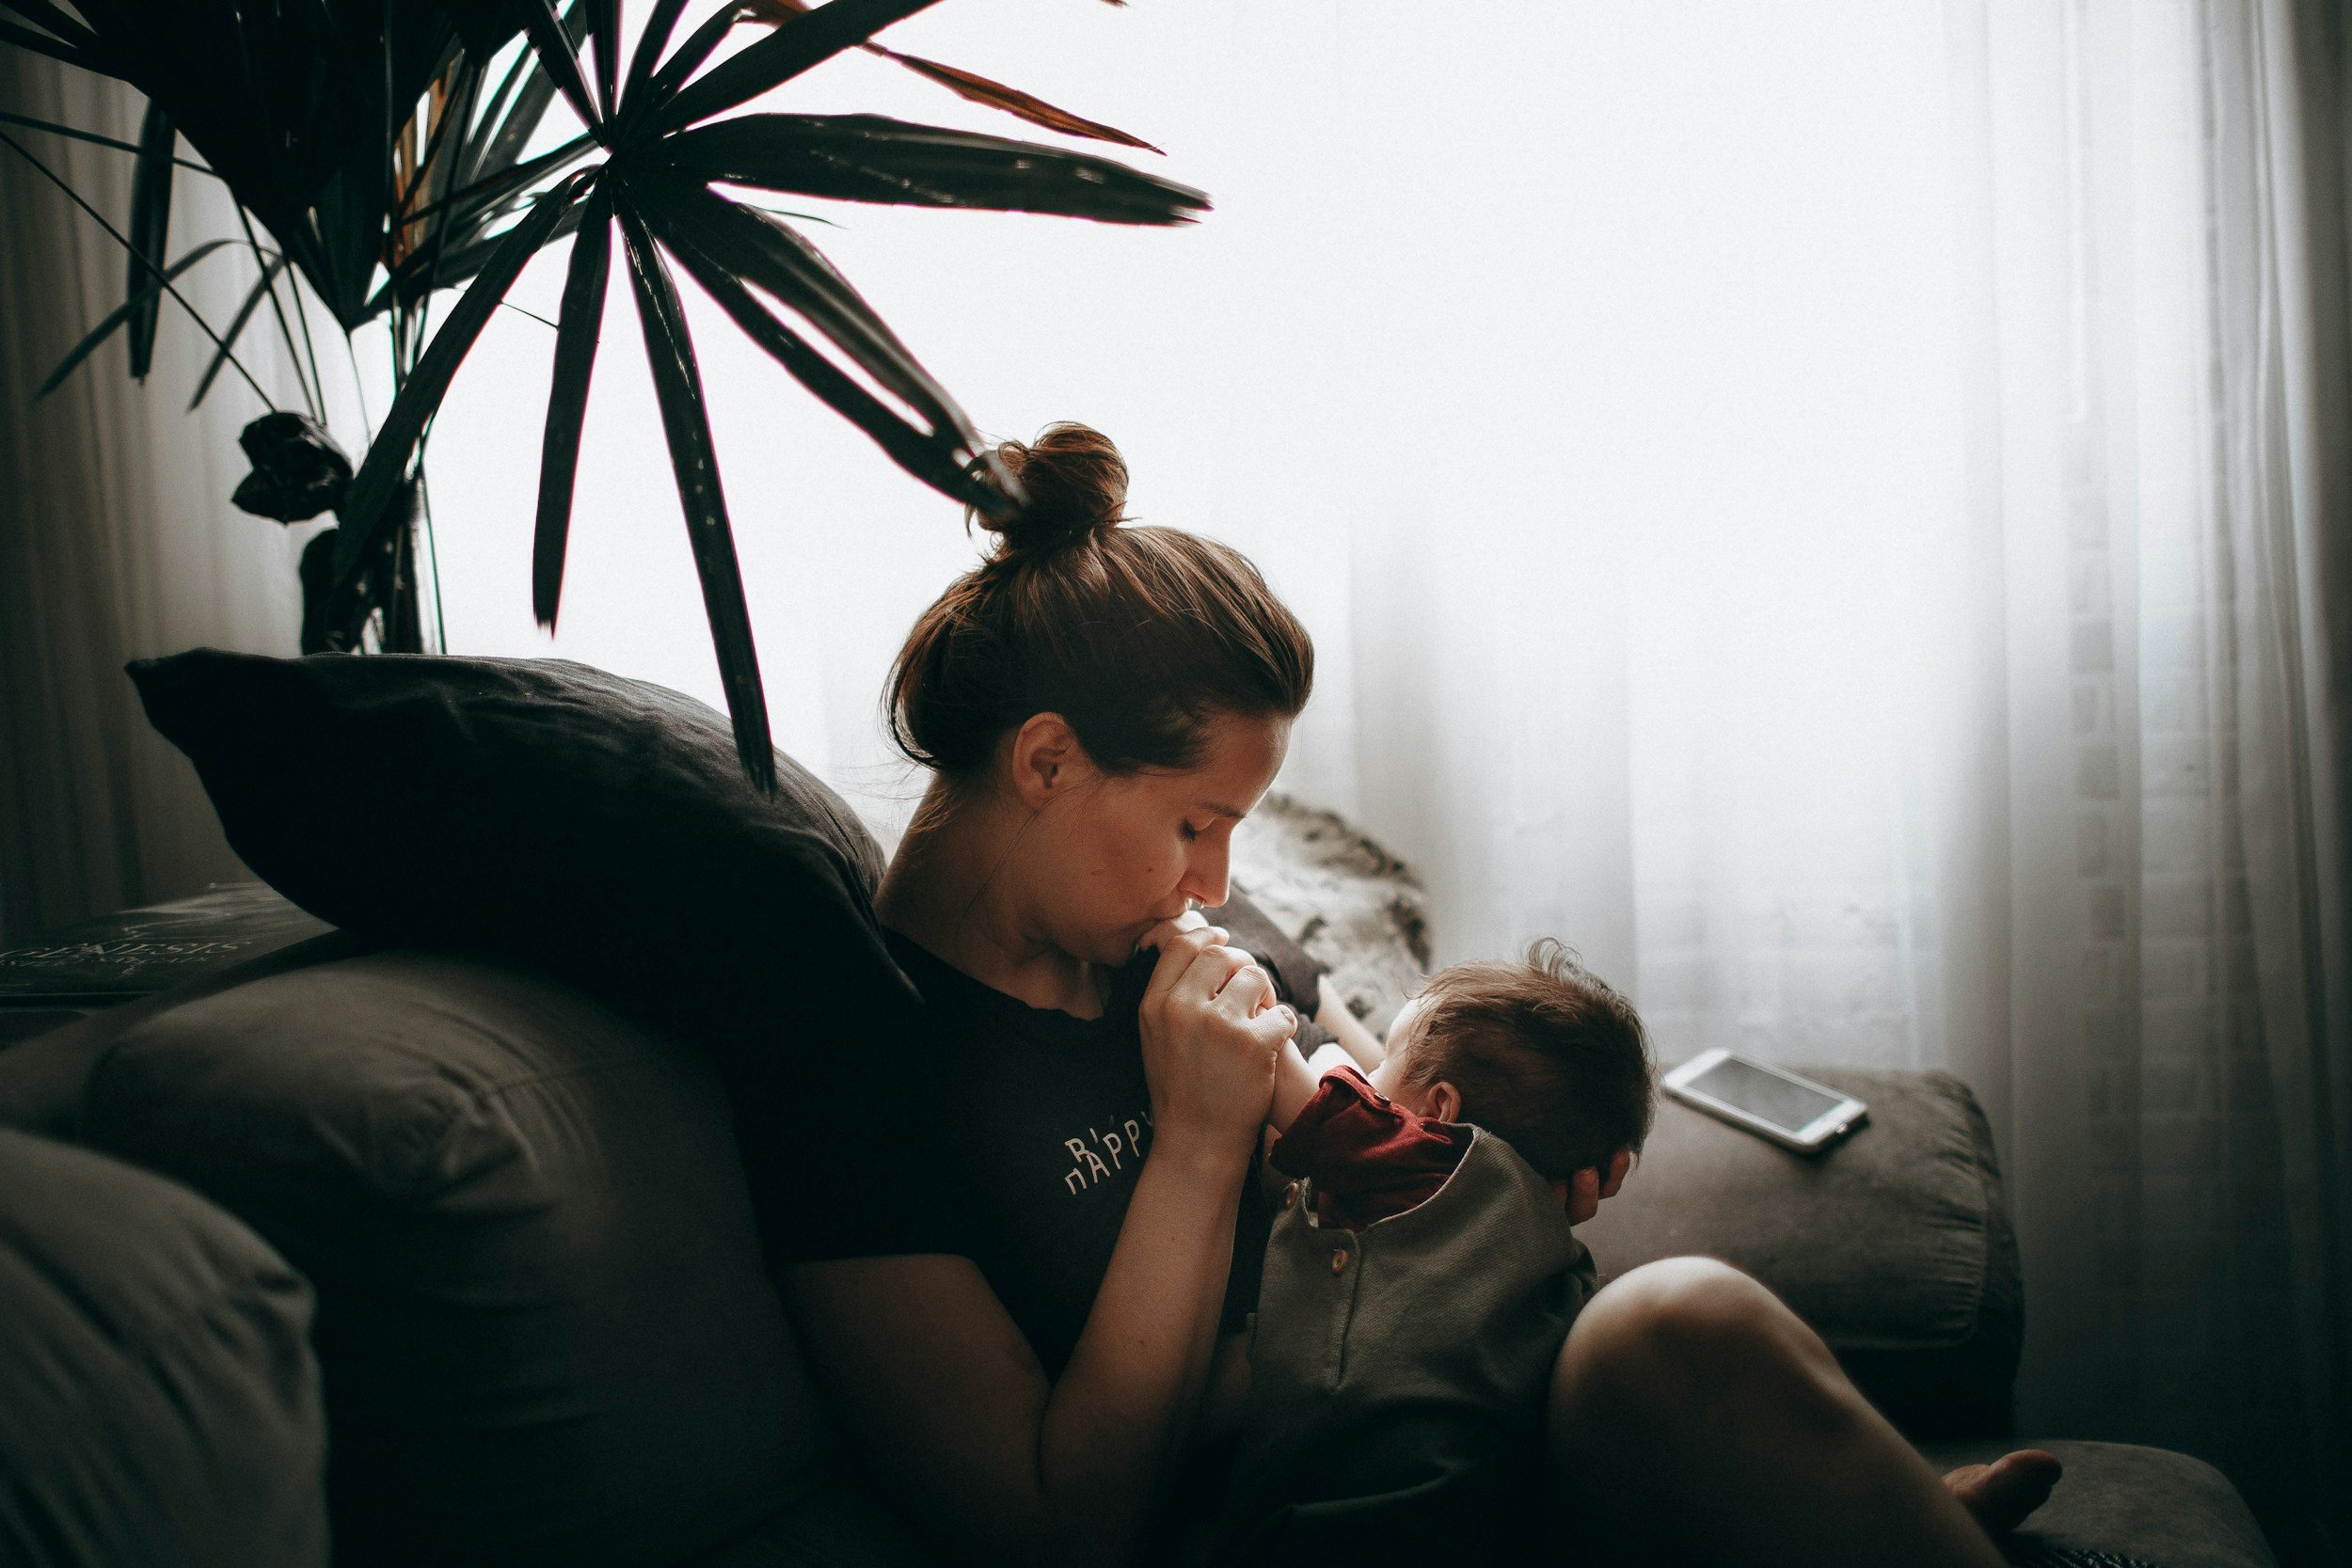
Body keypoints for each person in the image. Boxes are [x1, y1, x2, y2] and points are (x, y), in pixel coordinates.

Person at [784, 421, 2062, 1567]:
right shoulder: (861, 1077)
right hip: (1301, 1519)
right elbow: (1063, 1523)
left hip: (1469, 1446)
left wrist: (1501, 1172)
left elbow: (1401, 1151)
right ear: (1049, 758)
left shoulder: (1184, 937)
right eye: (1194, 820)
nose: (1219, 878)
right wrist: (1195, 1145)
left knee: (1682, 1313)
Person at [1206, 942, 1656, 1564]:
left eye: (1388, 1057)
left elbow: (1293, 1082)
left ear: (1438, 1109)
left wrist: (1232, 976)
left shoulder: (1429, 1156)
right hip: (1492, 1498)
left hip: (1359, 1512)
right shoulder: (1538, 1230)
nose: (1367, 1073)